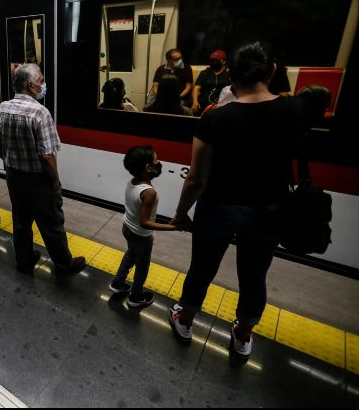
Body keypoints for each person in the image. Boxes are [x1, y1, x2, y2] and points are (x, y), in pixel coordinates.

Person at [168, 39, 301, 360]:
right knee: (255, 275)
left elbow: (197, 179)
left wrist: (181, 213)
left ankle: (185, 319)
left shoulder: (215, 118)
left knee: (202, 268)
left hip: (218, 207)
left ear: (231, 74)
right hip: (269, 208)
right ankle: (242, 334)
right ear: (271, 71)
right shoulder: (294, 111)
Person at [0, 63, 86, 277]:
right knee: (52, 223)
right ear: (30, 85)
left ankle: (24, 260)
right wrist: (54, 181)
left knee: (21, 221)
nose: (43, 84)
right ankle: (64, 265)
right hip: (39, 180)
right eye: (41, 80)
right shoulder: (40, 113)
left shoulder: (2, 108)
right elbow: (46, 155)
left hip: (14, 177)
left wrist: (11, 164)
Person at [108, 145, 177, 308]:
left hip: (127, 227)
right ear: (148, 167)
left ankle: (117, 284)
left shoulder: (131, 181)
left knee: (130, 254)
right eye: (156, 161)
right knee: (142, 268)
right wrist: (172, 227)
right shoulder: (149, 192)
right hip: (141, 236)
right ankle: (136, 297)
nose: (159, 163)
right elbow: (144, 222)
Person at [192, 49, 231, 115]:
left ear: (224, 61)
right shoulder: (204, 73)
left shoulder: (229, 73)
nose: (213, 62)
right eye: (212, 60)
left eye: (216, 61)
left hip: (223, 104)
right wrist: (195, 102)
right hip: (204, 104)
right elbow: (196, 88)